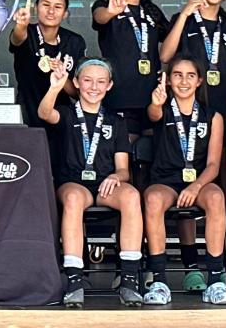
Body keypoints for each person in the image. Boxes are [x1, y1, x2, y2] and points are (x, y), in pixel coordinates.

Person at [159, 0, 226, 285]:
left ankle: (225, 260)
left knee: (220, 189)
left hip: (222, 118)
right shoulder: (184, 21)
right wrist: (184, 13)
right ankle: (191, 261)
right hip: (185, 114)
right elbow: (166, 55)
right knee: (185, 182)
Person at [38, 59, 144, 308]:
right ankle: (75, 279)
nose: (93, 87)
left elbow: (123, 169)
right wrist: (55, 87)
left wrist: (117, 177)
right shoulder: (66, 113)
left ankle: (129, 279)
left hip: (106, 185)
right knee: (74, 199)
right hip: (74, 184)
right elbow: (44, 113)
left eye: (100, 81)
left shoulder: (116, 121)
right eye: (87, 80)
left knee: (131, 196)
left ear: (109, 86)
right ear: (76, 82)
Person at [142, 56, 226, 306]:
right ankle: (159, 281)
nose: (184, 81)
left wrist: (196, 186)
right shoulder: (161, 108)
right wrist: (156, 103)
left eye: (190, 75)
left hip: (200, 182)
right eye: (177, 75)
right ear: (169, 80)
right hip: (165, 181)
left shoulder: (213, 116)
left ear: (200, 81)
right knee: (152, 199)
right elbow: (152, 114)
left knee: (217, 197)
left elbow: (214, 164)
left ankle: (215, 280)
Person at [91, 0, 170, 138]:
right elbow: (99, 17)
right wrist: (111, 11)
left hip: (152, 99)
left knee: (149, 157)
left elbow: (172, 44)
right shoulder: (106, 5)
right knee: (124, 155)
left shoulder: (153, 13)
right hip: (120, 98)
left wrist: (168, 73)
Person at [10, 0, 88, 129]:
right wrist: (21, 25)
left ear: (65, 13)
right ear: (35, 8)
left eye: (58, 7)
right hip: (27, 116)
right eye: (46, 5)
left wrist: (62, 77)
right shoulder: (28, 33)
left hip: (61, 119)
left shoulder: (74, 42)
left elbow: (79, 94)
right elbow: (17, 38)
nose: (51, 11)